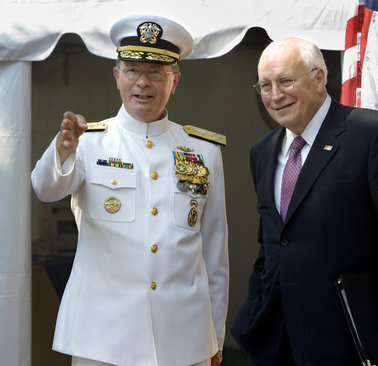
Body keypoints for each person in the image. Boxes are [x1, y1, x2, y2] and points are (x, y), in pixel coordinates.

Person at [231, 37, 378, 366]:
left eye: (286, 81)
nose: (275, 96)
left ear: (319, 78)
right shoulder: (262, 152)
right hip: (278, 340)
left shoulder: (371, 133)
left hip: (351, 338)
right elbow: (272, 241)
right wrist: (255, 311)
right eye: (265, 85)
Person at [31, 14, 229, 366]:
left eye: (156, 72)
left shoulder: (203, 151)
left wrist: (215, 333)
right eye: (133, 70)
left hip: (184, 339)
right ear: (117, 76)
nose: (143, 83)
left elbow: (215, 252)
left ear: (175, 81)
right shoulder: (87, 142)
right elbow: (45, 190)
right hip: (102, 339)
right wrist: (62, 151)